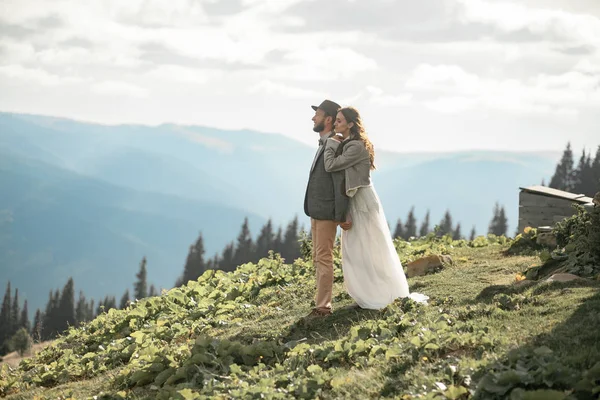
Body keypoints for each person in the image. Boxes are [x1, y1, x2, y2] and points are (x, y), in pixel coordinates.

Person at [323, 106, 427, 309]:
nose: (335, 124)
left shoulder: (354, 146)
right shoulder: (351, 143)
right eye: (335, 120)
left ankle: (379, 293)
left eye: (339, 121)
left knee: (367, 246)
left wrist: (330, 144)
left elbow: (330, 165)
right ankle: (371, 291)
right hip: (358, 198)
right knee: (358, 247)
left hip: (362, 200)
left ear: (351, 124)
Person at [303, 99, 352, 317]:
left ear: (329, 119)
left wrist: (342, 215)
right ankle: (320, 302)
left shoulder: (334, 144)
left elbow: (339, 183)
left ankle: (323, 307)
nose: (314, 118)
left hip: (327, 212)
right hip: (317, 210)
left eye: (318, 114)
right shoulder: (324, 142)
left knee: (324, 257)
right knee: (318, 256)